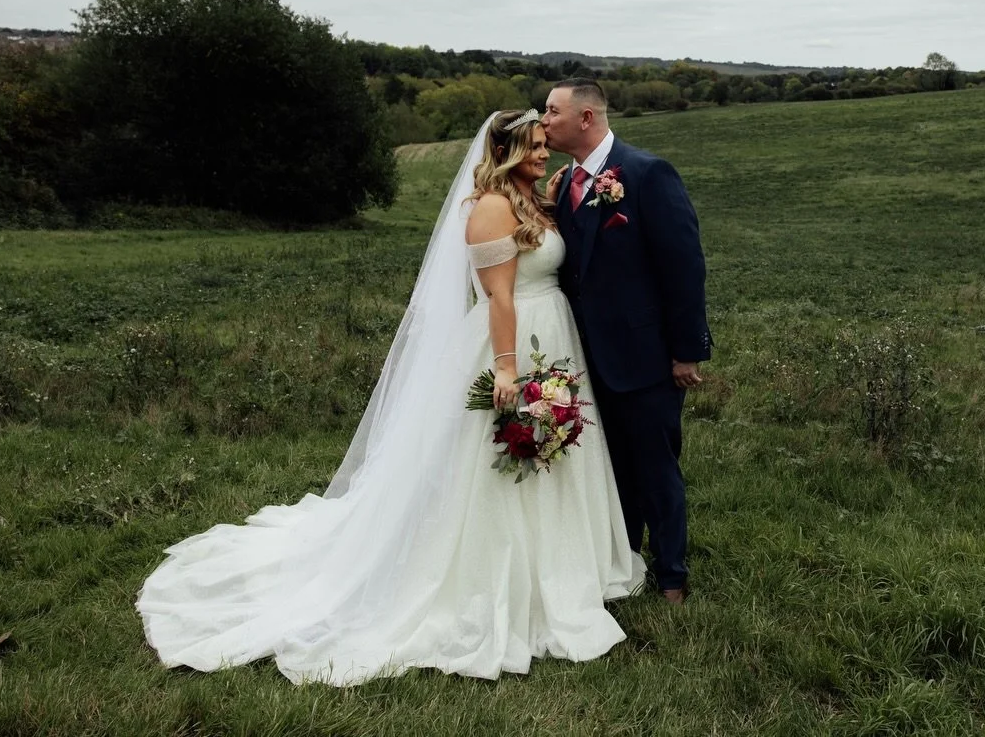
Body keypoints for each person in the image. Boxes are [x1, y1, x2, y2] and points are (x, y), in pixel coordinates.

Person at [136, 110, 645, 685]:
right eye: (531, 148)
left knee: (555, 448)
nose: (542, 154)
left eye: (542, 146)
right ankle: (492, 577)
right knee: (500, 457)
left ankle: (562, 563)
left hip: (553, 334)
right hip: (513, 341)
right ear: (504, 153)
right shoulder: (491, 208)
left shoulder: (530, 198)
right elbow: (498, 296)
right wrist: (506, 368)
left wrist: (556, 196)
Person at [541, 80, 712, 604]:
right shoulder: (563, 184)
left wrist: (686, 351)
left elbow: (683, 266)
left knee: (656, 468)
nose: (543, 120)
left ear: (586, 118)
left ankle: (672, 578)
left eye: (552, 111)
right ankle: (624, 563)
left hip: (646, 357)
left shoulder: (645, 174)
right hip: (587, 359)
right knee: (610, 469)